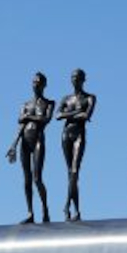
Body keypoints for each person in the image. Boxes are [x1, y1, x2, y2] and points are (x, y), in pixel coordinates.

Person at [6, 72, 55, 224]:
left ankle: (45, 209)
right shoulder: (25, 104)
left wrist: (28, 117)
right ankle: (30, 212)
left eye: (38, 82)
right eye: (33, 82)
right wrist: (13, 144)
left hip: (38, 140)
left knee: (37, 178)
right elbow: (20, 122)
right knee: (26, 179)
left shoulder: (49, 103)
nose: (35, 85)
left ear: (44, 85)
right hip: (24, 142)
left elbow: (45, 119)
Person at [56, 68, 97, 221]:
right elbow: (58, 115)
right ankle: (76, 211)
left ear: (83, 79)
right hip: (66, 134)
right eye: (73, 77)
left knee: (74, 171)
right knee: (71, 174)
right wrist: (76, 113)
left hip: (79, 134)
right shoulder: (66, 98)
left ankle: (67, 205)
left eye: (78, 77)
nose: (75, 80)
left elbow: (87, 115)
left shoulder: (90, 98)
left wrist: (72, 114)